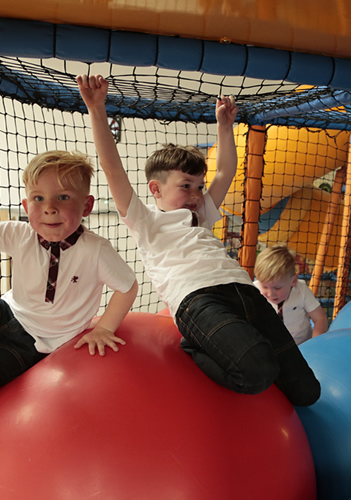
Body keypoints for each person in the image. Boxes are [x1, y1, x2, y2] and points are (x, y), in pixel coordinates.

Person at [77, 74, 320, 406]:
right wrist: (96, 108)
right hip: (198, 300)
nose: (195, 194)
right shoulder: (144, 220)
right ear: (156, 189)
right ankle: (193, 345)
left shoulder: (201, 213)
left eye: (198, 186)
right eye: (185, 186)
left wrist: (224, 125)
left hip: (244, 290)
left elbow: (225, 172)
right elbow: (111, 168)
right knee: (257, 371)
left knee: (307, 393)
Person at [0, 150, 138, 387]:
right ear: (26, 205)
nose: (49, 208)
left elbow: (128, 287)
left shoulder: (96, 250)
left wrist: (104, 327)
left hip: (40, 340)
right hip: (9, 310)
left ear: (86, 206)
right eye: (38, 198)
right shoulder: (19, 233)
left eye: (63, 197)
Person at [254, 243, 328, 345]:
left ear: (293, 281)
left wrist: (315, 344)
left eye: (277, 288)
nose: (270, 293)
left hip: (301, 346)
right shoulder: (254, 292)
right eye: (265, 287)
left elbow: (320, 318)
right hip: (270, 347)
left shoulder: (301, 290)